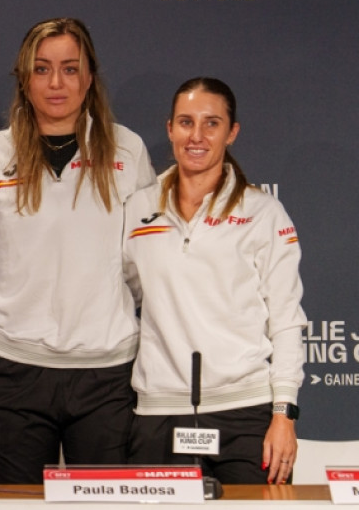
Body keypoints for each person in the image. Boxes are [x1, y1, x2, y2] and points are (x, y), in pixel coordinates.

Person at [0, 18, 156, 484]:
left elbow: (144, 264)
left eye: (69, 69)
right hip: (11, 371)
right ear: (24, 78)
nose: (56, 83)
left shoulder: (127, 151)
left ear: (89, 76)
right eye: (42, 69)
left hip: (107, 374)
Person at [124, 77, 305, 485]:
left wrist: (284, 413)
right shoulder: (136, 209)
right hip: (158, 414)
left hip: (246, 414)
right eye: (186, 122)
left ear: (232, 132)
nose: (197, 136)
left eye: (212, 123)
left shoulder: (263, 212)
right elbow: (121, 296)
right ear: (169, 128)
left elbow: (287, 319)